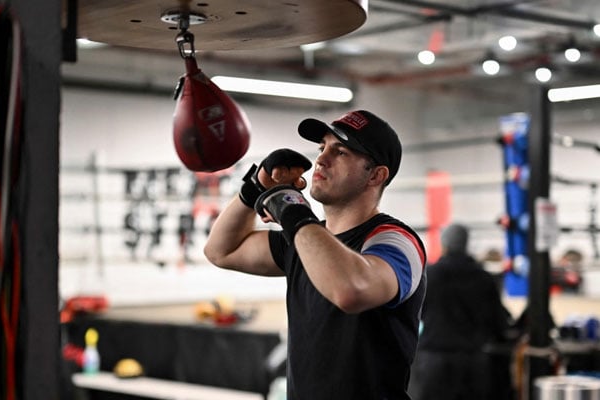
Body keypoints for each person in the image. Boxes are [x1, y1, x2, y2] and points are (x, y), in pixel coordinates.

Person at [204, 109, 427, 399]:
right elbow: (221, 250)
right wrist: (254, 189)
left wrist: (293, 214)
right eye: (323, 147)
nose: (321, 159)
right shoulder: (302, 239)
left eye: (341, 151)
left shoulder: (396, 240)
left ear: (376, 175)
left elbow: (351, 289)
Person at [409, 223, 514, 400]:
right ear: (466, 244)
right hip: (472, 363)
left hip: (433, 363)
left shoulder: (428, 276)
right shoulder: (484, 279)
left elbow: (411, 316)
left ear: (444, 245)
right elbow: (499, 323)